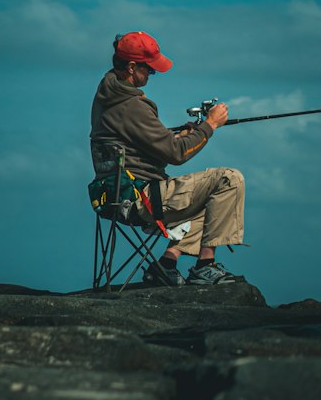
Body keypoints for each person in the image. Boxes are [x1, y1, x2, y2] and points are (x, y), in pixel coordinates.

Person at [90, 30, 245, 286]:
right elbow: (176, 154)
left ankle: (167, 263)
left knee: (211, 195)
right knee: (228, 180)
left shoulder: (107, 95)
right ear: (131, 67)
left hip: (117, 196)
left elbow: (146, 146)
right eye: (148, 69)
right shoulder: (132, 106)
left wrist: (183, 135)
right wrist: (210, 125)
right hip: (143, 199)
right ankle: (205, 266)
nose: (152, 74)